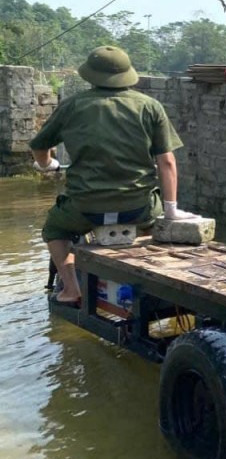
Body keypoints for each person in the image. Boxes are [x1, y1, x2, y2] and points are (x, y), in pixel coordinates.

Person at [29, 45, 197, 307]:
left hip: (84, 207)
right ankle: (150, 283)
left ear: (90, 75)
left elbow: (39, 147)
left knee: (54, 228)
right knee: (151, 226)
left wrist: (47, 164)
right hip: (138, 207)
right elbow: (167, 162)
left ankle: (72, 289)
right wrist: (171, 209)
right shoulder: (150, 107)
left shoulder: (72, 105)